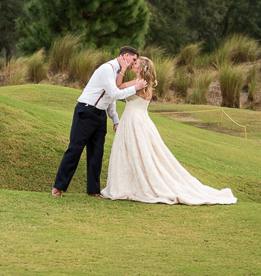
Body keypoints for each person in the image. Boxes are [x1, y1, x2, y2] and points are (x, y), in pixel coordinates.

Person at [101, 57, 237, 205]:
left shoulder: (138, 83)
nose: (132, 64)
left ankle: (133, 184)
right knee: (138, 151)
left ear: (140, 69)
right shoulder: (144, 84)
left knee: (137, 150)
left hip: (134, 119)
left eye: (135, 63)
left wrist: (122, 69)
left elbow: (118, 86)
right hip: (140, 119)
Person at [52, 46, 147, 197]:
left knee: (97, 153)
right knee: (75, 149)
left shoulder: (118, 73)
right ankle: (58, 187)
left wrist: (115, 119)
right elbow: (115, 93)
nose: (134, 63)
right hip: (86, 111)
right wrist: (135, 88)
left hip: (100, 115)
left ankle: (93, 191)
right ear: (126, 55)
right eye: (133, 60)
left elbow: (109, 99)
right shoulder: (107, 69)